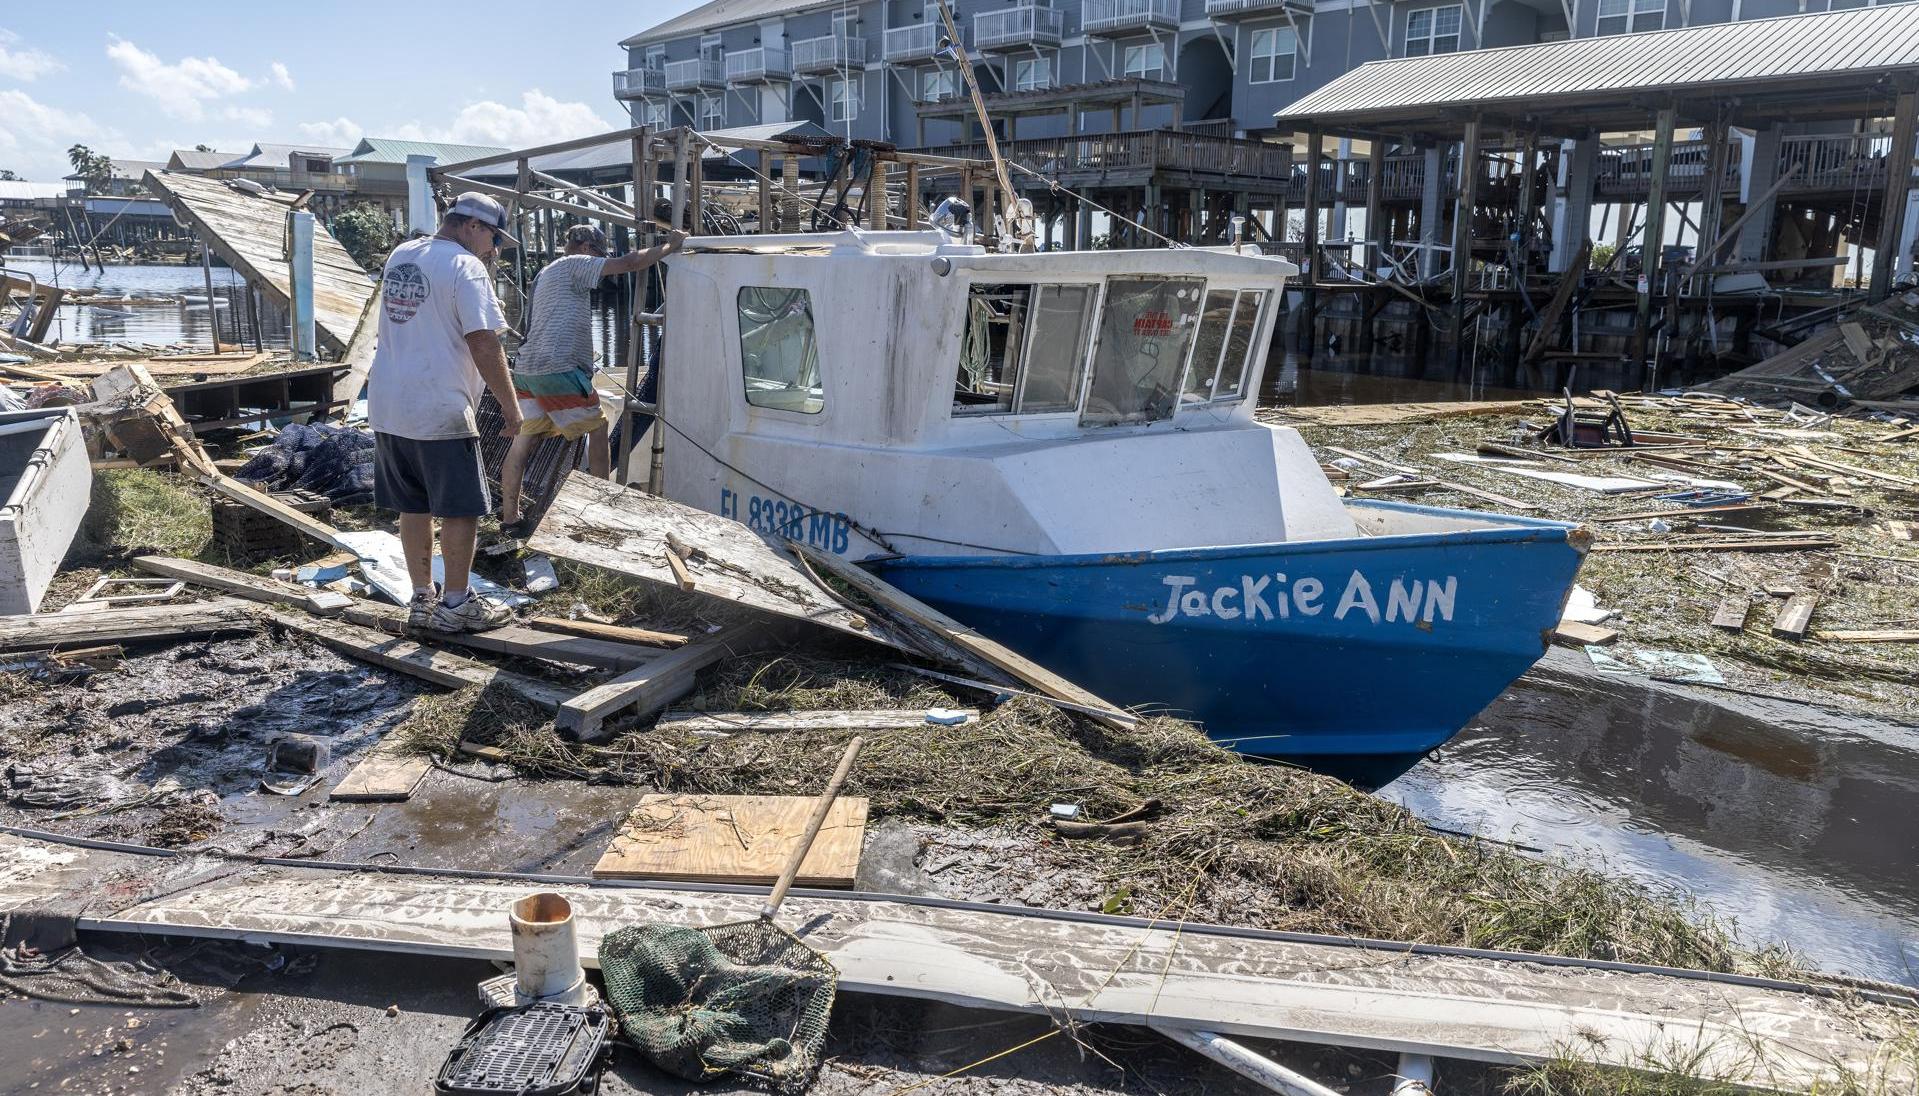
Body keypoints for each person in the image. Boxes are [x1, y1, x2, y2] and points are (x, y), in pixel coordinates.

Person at [366, 191, 523, 633]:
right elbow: (484, 340)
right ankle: (456, 605)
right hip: (439, 404)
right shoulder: (465, 266)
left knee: (412, 503)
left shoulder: (403, 253)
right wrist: (511, 409)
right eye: (493, 238)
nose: (493, 250)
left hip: (389, 401)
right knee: (460, 508)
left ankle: (421, 599)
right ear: (473, 226)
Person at [498, 223, 687, 539]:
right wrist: (668, 247)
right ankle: (603, 513)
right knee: (599, 430)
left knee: (522, 443)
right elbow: (628, 263)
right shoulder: (576, 263)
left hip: (528, 368)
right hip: (557, 368)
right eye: (599, 255)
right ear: (586, 248)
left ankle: (510, 521)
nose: (601, 263)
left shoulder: (547, 273)